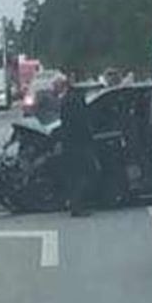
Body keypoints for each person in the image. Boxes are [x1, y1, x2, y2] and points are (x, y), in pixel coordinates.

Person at [59, 76, 96, 217]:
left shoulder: (66, 99)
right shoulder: (76, 100)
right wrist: (90, 137)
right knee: (86, 173)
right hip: (79, 143)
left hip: (69, 143)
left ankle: (76, 203)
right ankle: (77, 205)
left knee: (75, 176)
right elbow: (82, 122)